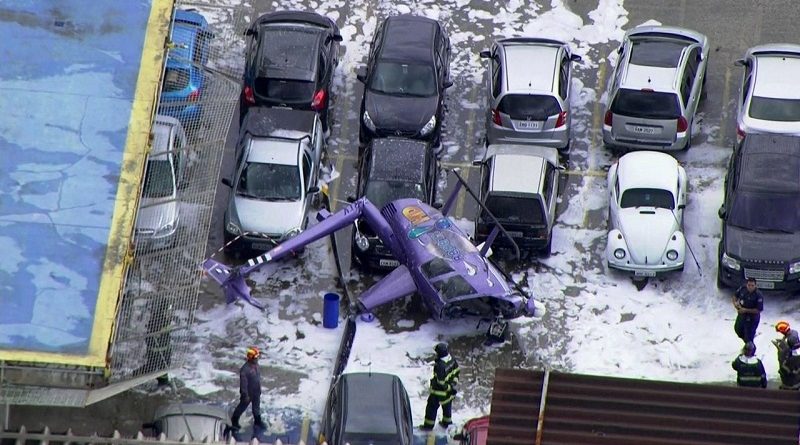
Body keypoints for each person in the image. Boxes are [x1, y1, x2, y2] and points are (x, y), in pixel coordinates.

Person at [421, 342, 460, 431]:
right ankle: (447, 423)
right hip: (449, 392)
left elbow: (441, 382)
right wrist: (453, 385)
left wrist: (448, 388)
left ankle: (428, 426)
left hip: (438, 392)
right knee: (447, 407)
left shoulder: (440, 366)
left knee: (431, 407)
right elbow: (457, 372)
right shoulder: (452, 360)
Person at [231, 346, 266, 431]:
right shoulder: (245, 370)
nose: (257, 359)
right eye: (256, 357)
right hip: (248, 394)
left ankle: (257, 421)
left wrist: (259, 389)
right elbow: (243, 384)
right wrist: (245, 395)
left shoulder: (256, 365)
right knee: (241, 408)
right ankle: (234, 420)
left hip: (256, 392)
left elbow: (257, 378)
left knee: (256, 408)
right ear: (252, 358)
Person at [732, 278, 763, 344]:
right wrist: (735, 303)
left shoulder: (758, 295)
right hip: (742, 315)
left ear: (755, 286)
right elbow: (735, 296)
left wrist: (745, 310)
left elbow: (758, 310)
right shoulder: (743, 289)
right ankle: (747, 342)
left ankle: (750, 349)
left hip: (752, 318)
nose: (750, 287)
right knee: (738, 329)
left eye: (752, 285)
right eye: (749, 285)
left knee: (749, 336)